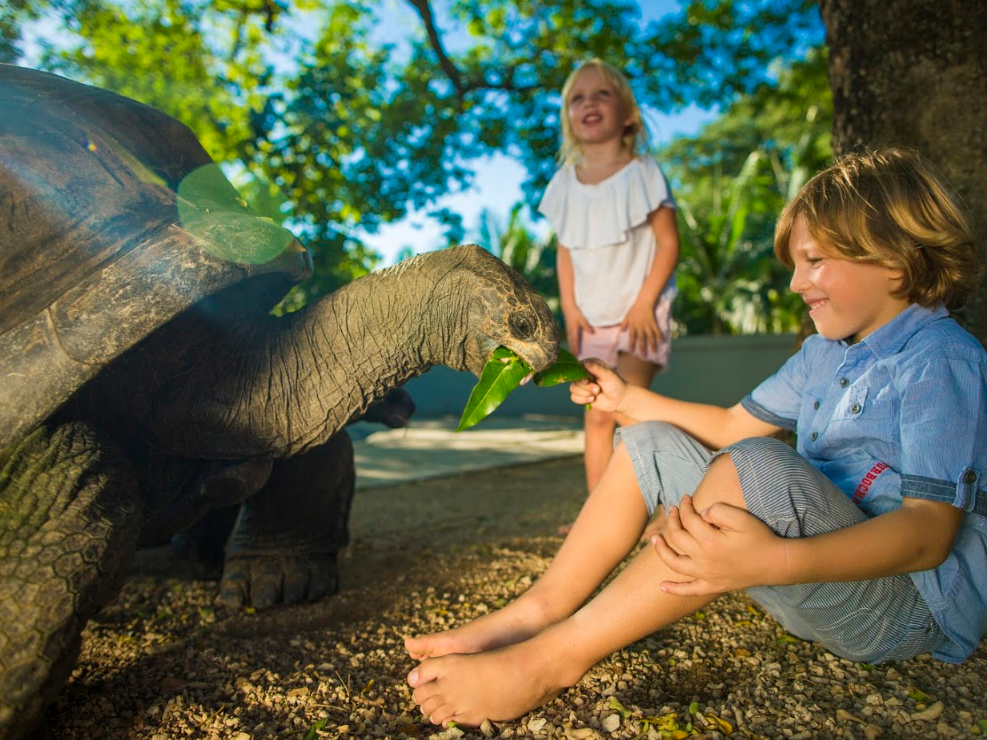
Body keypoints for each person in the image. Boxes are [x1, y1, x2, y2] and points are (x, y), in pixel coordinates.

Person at [404, 147, 987, 728]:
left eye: (814, 261)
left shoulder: (940, 360)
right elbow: (733, 424)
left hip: (898, 609)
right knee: (650, 439)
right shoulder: (822, 354)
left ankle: (552, 659)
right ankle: (537, 611)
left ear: (894, 261)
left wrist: (777, 559)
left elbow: (928, 536)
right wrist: (627, 399)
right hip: (799, 581)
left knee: (757, 464)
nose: (794, 282)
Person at [537, 59, 680, 529]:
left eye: (602, 94)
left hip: (638, 317)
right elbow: (564, 254)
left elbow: (668, 242)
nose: (589, 103)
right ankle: (597, 516)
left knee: (632, 411)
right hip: (591, 321)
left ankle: (662, 513)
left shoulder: (643, 171)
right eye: (577, 98)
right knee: (596, 417)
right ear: (568, 119)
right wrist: (570, 310)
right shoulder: (563, 184)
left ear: (628, 115)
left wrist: (644, 304)